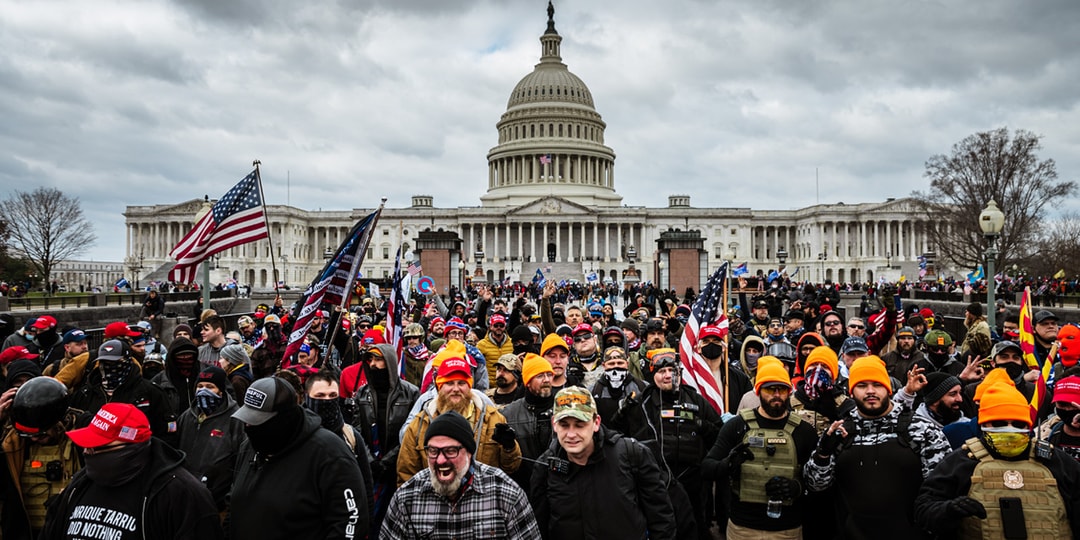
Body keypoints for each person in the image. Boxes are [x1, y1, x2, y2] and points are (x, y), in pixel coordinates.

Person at [805, 356, 952, 539]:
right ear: (851, 391)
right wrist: (823, 453)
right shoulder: (839, 432)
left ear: (888, 389)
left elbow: (942, 490)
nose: (870, 391)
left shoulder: (922, 430)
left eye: (877, 384)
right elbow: (816, 485)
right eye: (862, 385)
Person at [914, 382, 1080, 537]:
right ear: (984, 425)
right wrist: (949, 511)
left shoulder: (1055, 461)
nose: (1009, 429)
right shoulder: (962, 461)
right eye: (999, 423)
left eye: (1018, 424)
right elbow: (924, 509)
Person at [40, 403, 224, 539]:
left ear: (130, 447)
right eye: (86, 446)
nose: (87, 452)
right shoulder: (80, 483)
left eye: (97, 446)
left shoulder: (181, 494)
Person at [229, 376, 369, 539]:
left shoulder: (329, 454)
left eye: (257, 421)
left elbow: (350, 522)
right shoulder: (249, 446)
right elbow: (234, 502)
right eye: (247, 420)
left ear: (283, 419)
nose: (249, 427)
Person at [530, 386, 677, 540]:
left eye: (580, 425)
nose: (571, 434)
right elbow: (538, 528)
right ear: (554, 424)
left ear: (596, 422)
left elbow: (662, 520)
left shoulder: (632, 455)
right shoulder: (544, 468)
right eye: (564, 425)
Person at [380, 411, 543, 539]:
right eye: (433, 451)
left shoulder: (506, 494)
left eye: (451, 451)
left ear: (469, 453)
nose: (441, 460)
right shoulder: (407, 498)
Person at [702, 357, 818, 538]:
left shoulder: (804, 431)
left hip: (787, 529)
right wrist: (729, 464)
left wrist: (796, 487)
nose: (776, 394)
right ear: (758, 391)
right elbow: (707, 467)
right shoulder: (737, 426)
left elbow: (817, 481)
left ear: (789, 391)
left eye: (782, 389)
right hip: (743, 528)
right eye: (770, 389)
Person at [614, 347, 721, 540]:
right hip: (657, 479)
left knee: (696, 528)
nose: (667, 375)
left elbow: (719, 436)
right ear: (653, 374)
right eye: (662, 371)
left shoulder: (696, 399)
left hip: (693, 480)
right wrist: (621, 414)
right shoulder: (641, 402)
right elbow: (621, 435)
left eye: (673, 371)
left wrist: (702, 425)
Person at [397, 341, 521, 486]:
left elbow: (512, 467)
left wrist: (509, 447)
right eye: (449, 383)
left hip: (482, 500)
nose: (456, 389)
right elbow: (406, 474)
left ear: (470, 386)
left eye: (461, 383)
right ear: (439, 386)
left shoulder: (492, 418)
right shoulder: (419, 424)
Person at [349, 341, 419, 532]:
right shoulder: (362, 394)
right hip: (370, 466)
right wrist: (370, 460)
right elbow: (357, 430)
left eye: (378, 359)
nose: (372, 364)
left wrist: (388, 460)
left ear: (389, 361)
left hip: (398, 464)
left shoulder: (410, 392)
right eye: (369, 359)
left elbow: (411, 432)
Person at [1, 376, 81, 538]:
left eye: (41, 434)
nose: (33, 439)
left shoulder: (81, 440)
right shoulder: (13, 445)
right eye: (29, 435)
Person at [302, 371, 375, 535]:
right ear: (307, 397)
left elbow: (366, 485)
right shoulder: (296, 435)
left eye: (332, 395)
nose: (327, 401)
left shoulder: (350, 436)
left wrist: (368, 523)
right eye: (320, 396)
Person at [68, 339, 173, 444]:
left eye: (115, 363)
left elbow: (166, 432)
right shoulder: (85, 393)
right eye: (105, 363)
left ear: (127, 361)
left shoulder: (150, 392)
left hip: (137, 454)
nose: (109, 367)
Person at [176, 365, 246, 512]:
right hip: (183, 495)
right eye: (199, 386)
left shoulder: (236, 419)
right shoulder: (186, 416)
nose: (203, 390)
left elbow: (240, 461)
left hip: (216, 502)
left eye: (210, 386)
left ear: (221, 390)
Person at [500, 354, 555, 491]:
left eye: (549, 374)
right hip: (523, 488)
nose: (547, 380)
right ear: (528, 382)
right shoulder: (508, 415)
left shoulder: (565, 408)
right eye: (540, 376)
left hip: (558, 488)